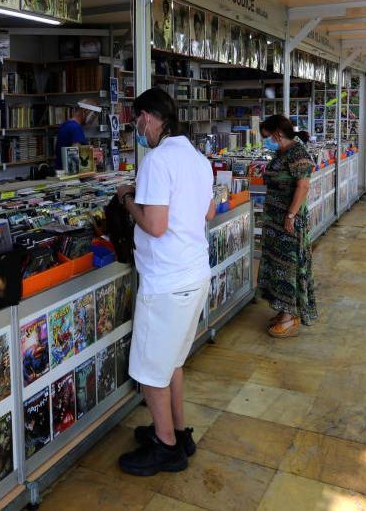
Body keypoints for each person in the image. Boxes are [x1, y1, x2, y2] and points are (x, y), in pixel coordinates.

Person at [114, 88, 215, 476]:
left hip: (167, 281)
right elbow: (206, 212)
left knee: (151, 371)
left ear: (151, 118)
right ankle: (176, 430)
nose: (137, 128)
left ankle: (167, 448)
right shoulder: (198, 159)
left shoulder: (157, 161)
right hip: (193, 273)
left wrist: (127, 200)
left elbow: (155, 226)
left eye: (137, 120)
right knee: (172, 362)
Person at [257, 115, 317, 338]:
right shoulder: (281, 152)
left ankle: (290, 316)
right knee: (277, 266)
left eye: (266, 137)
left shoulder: (298, 153)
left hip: (288, 223)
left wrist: (290, 216)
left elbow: (302, 186)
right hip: (275, 221)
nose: (265, 141)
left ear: (277, 133)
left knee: (289, 267)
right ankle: (283, 309)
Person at [53, 99, 101, 168]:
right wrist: (94, 157)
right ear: (85, 111)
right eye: (93, 116)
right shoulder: (75, 128)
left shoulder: (66, 125)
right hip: (70, 175)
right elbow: (76, 156)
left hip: (61, 171)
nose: (93, 121)